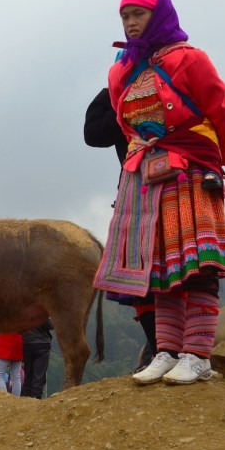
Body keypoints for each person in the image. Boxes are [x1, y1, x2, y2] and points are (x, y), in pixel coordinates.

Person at [93, 0, 225, 386]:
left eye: (138, 14)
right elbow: (123, 122)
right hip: (146, 177)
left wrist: (219, 159)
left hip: (190, 171)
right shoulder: (121, 70)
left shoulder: (191, 60)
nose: (130, 22)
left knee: (197, 264)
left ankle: (198, 353)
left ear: (159, 15)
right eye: (125, 16)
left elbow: (222, 111)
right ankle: (168, 350)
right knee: (160, 268)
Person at [84, 91, 157, 371]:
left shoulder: (177, 83)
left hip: (180, 183)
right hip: (136, 190)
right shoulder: (115, 94)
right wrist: (127, 110)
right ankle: (156, 347)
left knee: (179, 271)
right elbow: (93, 134)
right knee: (140, 275)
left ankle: (176, 348)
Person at [21, 319, 53, 399]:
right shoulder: (41, 311)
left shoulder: (23, 311)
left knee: (28, 374)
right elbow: (49, 325)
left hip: (26, 343)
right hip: (42, 343)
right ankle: (35, 398)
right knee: (39, 375)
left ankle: (24, 397)